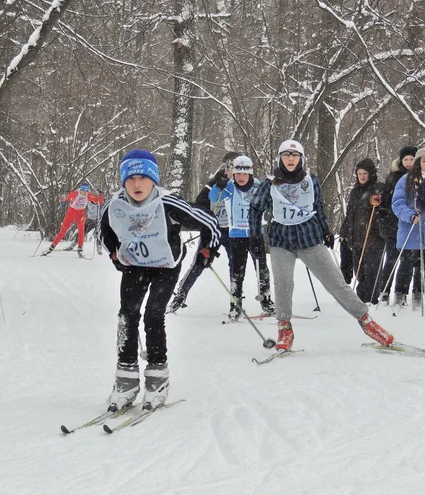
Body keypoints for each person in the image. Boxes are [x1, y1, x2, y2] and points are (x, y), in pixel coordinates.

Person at [100, 149, 221, 411]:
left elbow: (209, 223)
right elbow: (105, 231)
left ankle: (157, 377)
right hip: (135, 264)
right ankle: (126, 379)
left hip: (167, 265)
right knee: (127, 315)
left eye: (143, 178)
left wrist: (207, 251)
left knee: (153, 313)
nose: (137, 184)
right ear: (123, 182)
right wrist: (114, 255)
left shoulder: (168, 203)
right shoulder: (115, 205)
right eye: (130, 179)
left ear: (153, 180)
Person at [248, 139, 394, 351]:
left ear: (301, 159)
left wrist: (326, 230)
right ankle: (284, 329)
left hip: (309, 239)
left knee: (335, 282)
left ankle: (366, 321)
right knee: (283, 283)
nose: (290, 159)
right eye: (286, 155)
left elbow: (318, 208)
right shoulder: (269, 184)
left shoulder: (311, 181)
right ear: (280, 158)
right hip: (281, 240)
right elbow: (255, 209)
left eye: (294, 155)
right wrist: (254, 236)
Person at [167, 151, 238, 313]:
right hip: (214, 230)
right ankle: (180, 295)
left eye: (237, 165)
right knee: (200, 263)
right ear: (225, 166)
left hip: (232, 230)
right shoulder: (214, 182)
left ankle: (236, 300)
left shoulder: (241, 182)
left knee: (236, 265)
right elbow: (199, 204)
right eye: (231, 166)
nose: (234, 170)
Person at [224, 155, 275, 320]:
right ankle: (235, 304)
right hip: (237, 233)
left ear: (250, 173)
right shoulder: (230, 186)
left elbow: (271, 201)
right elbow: (212, 197)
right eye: (237, 173)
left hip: (255, 233)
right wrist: (217, 185)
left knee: (261, 268)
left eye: (244, 174)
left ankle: (266, 301)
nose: (240, 177)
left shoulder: (259, 186)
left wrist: (274, 186)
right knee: (237, 271)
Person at [339, 158, 384, 304]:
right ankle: (361, 299)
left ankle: (371, 299)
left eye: (365, 173)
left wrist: (379, 208)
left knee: (372, 271)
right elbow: (350, 214)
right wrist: (344, 231)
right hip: (357, 238)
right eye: (359, 173)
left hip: (374, 239)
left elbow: (385, 212)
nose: (362, 176)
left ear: (371, 174)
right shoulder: (355, 192)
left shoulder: (379, 189)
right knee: (360, 272)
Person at [376, 145, 416, 301]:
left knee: (408, 262)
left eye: (411, 159)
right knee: (391, 260)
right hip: (392, 225)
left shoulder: (419, 177)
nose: (408, 162)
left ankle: (402, 293)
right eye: (405, 159)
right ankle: (384, 291)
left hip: (410, 227)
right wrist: (381, 210)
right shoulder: (394, 177)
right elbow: (386, 198)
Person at [390, 146, 425, 311]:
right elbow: (397, 203)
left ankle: (418, 295)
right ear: (419, 162)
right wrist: (410, 215)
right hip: (410, 229)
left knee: (422, 268)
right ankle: (400, 295)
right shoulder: (406, 179)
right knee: (406, 265)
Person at [42, 182, 103, 257]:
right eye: (83, 191)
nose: (85, 193)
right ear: (81, 189)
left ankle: (80, 249)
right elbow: (65, 198)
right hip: (71, 213)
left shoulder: (89, 195)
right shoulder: (75, 193)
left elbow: (99, 201)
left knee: (81, 232)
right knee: (63, 231)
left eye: (86, 191)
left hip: (80, 214)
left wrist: (100, 194)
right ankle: (51, 247)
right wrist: (63, 198)